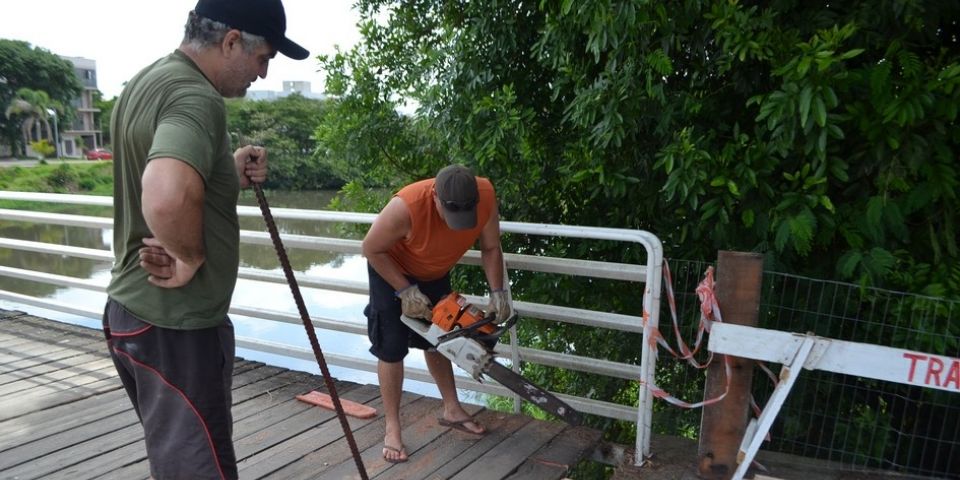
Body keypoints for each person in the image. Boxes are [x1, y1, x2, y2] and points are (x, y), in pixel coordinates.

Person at [102, 1, 308, 478]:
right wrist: (189, 257)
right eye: (264, 58)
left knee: (175, 459)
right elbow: (167, 193)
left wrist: (224, 172)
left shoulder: (149, 81)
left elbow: (161, 174)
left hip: (132, 312)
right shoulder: (197, 98)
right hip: (176, 327)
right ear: (231, 41)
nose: (262, 73)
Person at [362, 164, 514, 463]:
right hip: (391, 272)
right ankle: (393, 428)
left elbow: (491, 247)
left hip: (436, 271)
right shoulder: (406, 207)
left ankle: (452, 408)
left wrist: (498, 292)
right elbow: (370, 248)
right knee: (391, 348)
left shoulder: (485, 194)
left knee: (440, 340)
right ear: (435, 198)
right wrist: (404, 290)